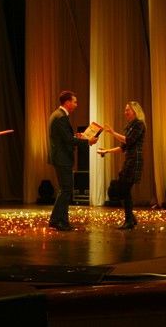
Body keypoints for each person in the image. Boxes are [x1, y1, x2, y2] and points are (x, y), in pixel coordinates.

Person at [48, 90, 98, 231]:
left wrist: (77, 136)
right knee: (66, 190)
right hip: (62, 158)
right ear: (67, 102)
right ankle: (57, 221)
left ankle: (59, 220)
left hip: (61, 158)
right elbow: (68, 140)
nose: (76, 104)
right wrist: (88, 141)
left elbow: (65, 137)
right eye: (75, 102)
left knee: (65, 190)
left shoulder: (58, 115)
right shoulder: (61, 117)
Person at [97, 101, 146, 229]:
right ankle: (131, 219)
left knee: (124, 189)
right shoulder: (130, 126)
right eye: (125, 110)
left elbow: (128, 140)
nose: (125, 112)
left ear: (135, 111)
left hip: (134, 160)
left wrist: (113, 132)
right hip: (129, 160)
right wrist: (106, 151)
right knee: (124, 189)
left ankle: (130, 220)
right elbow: (123, 147)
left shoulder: (139, 124)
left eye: (127, 110)